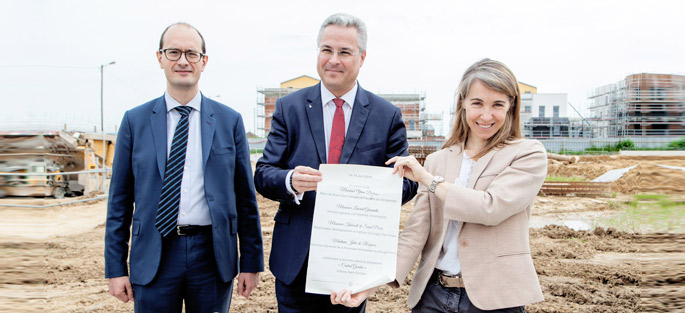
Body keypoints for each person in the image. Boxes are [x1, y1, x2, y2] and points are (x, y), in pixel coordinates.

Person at [331, 58, 547, 312]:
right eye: (477, 103)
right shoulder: (438, 160)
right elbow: (415, 234)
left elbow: (491, 208)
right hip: (433, 297)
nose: (486, 115)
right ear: (463, 103)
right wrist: (368, 285)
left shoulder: (527, 154)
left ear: (511, 107)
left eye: (497, 104)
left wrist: (429, 180)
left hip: (495, 298)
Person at [254, 13, 418, 313]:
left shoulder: (386, 116)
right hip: (295, 262)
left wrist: (375, 188)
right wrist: (290, 180)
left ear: (362, 57)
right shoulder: (288, 108)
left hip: (353, 262)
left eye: (344, 52)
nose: (334, 60)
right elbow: (264, 174)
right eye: (326, 50)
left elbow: (408, 183)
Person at [104, 22, 264, 313]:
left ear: (204, 61)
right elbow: (119, 203)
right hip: (155, 253)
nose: (182, 61)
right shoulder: (134, 121)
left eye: (191, 53)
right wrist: (115, 268)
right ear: (159, 58)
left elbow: (245, 199)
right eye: (173, 52)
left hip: (212, 256)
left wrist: (251, 263)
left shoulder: (230, 122)